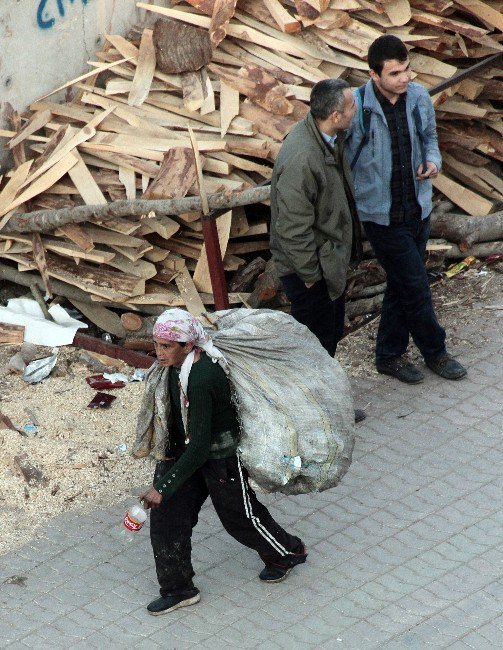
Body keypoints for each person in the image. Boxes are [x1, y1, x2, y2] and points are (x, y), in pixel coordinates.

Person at [135, 309, 306, 616]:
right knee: (166, 522)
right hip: (184, 451)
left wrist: (163, 486)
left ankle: (288, 551)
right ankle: (178, 589)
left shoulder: (202, 377)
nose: (158, 353)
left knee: (239, 517)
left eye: (166, 346)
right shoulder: (173, 367)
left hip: (217, 457)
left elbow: (201, 446)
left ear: (188, 346)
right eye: (156, 344)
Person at [345, 35, 467, 384]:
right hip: (380, 217)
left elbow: (430, 138)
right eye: (395, 73)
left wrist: (432, 161)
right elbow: (338, 157)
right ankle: (436, 352)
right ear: (373, 74)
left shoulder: (417, 98)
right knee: (415, 285)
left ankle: (388, 355)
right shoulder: (356, 107)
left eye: (407, 69)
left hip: (418, 208)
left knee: (401, 285)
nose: (405, 78)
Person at [269, 79, 365, 422]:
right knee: (312, 346)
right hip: (310, 270)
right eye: (352, 106)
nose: (357, 110)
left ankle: (325, 407)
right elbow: (292, 229)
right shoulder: (302, 156)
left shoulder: (326, 138)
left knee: (328, 337)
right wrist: (310, 276)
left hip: (327, 263)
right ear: (336, 115)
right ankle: (307, 415)